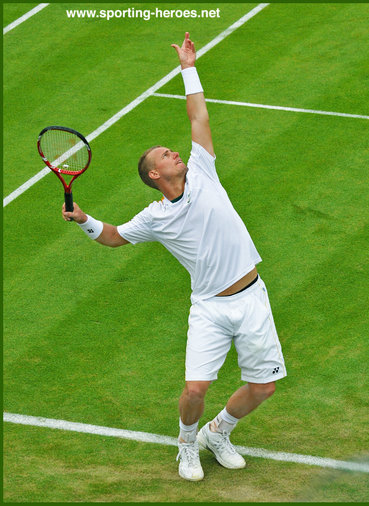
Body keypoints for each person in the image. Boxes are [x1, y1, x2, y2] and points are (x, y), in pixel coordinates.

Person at [62, 32, 286, 482]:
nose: (176, 151)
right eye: (166, 154)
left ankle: (218, 433)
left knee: (264, 386)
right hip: (210, 307)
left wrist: (189, 67)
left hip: (252, 295)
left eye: (174, 149)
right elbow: (113, 237)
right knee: (194, 388)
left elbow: (198, 114)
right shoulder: (154, 217)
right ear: (154, 173)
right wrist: (85, 219)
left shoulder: (203, 168)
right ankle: (186, 444)